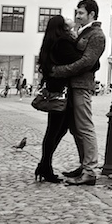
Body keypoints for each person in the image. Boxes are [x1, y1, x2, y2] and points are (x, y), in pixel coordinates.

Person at [50, 0, 105, 186]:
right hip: (72, 86)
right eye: (77, 12)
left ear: (92, 14)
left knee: (85, 128)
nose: (77, 16)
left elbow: (86, 62)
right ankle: (84, 166)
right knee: (76, 129)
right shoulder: (82, 32)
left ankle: (90, 171)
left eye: (81, 13)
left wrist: (59, 71)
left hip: (82, 86)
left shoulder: (97, 35)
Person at [35, 14, 81, 184]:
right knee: (55, 130)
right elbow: (78, 59)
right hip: (62, 92)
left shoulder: (49, 42)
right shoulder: (62, 42)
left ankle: (44, 165)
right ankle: (45, 166)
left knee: (57, 130)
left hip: (55, 90)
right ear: (61, 28)